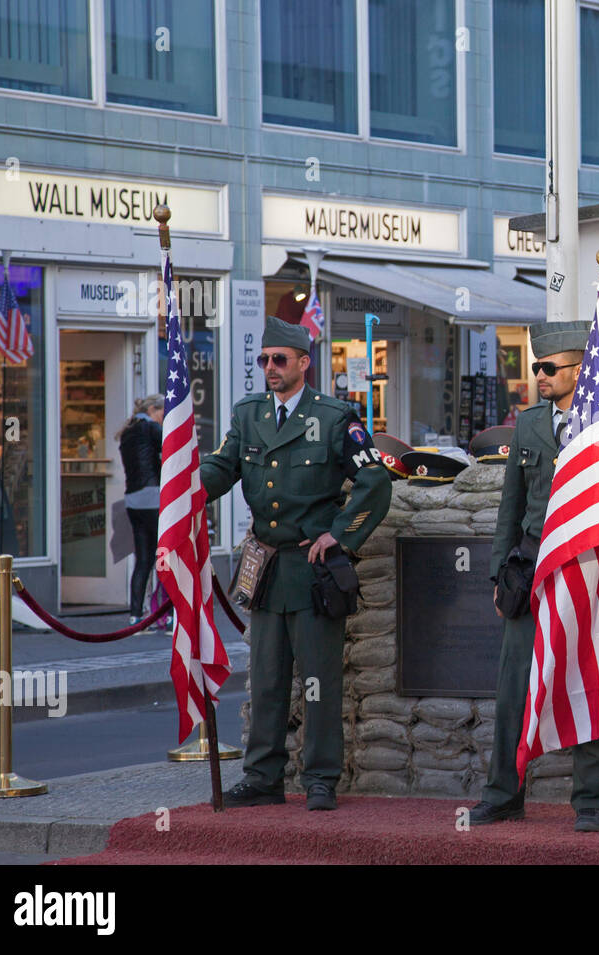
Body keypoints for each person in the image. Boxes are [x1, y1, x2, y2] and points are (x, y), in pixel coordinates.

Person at [470, 321, 599, 833]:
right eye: (536, 367)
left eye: (548, 368)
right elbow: (509, 508)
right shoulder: (529, 425)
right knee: (514, 685)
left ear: (581, 371)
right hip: (533, 569)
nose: (538, 375)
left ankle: (590, 800)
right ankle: (503, 793)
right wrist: (497, 573)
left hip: (589, 569)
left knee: (591, 682)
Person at [199, 318, 392, 811]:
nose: (269, 368)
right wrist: (183, 490)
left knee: (318, 679)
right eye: (263, 360)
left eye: (279, 360)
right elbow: (222, 469)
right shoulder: (248, 415)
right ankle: (263, 776)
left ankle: (321, 777)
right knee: (265, 677)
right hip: (265, 566)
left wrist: (341, 535)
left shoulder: (332, 417)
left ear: (304, 363)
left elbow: (374, 480)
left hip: (312, 568)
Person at [116, 395, 164, 625]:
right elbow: (172, 453)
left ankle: (135, 614)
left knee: (143, 559)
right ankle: (169, 614)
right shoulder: (151, 428)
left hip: (133, 499)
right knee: (165, 556)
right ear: (154, 409)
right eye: (163, 413)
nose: (165, 418)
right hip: (154, 496)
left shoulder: (128, 431)